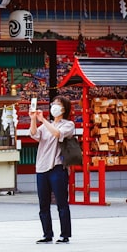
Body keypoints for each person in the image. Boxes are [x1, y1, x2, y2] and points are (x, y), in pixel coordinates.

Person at [30, 95, 75, 244]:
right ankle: (47, 234)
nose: (53, 106)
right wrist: (33, 119)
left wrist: (42, 120)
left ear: (63, 109)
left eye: (57, 104)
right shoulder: (45, 125)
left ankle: (65, 234)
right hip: (42, 167)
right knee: (43, 203)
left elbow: (57, 134)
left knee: (62, 202)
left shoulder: (68, 125)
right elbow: (33, 134)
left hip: (57, 167)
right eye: (53, 104)